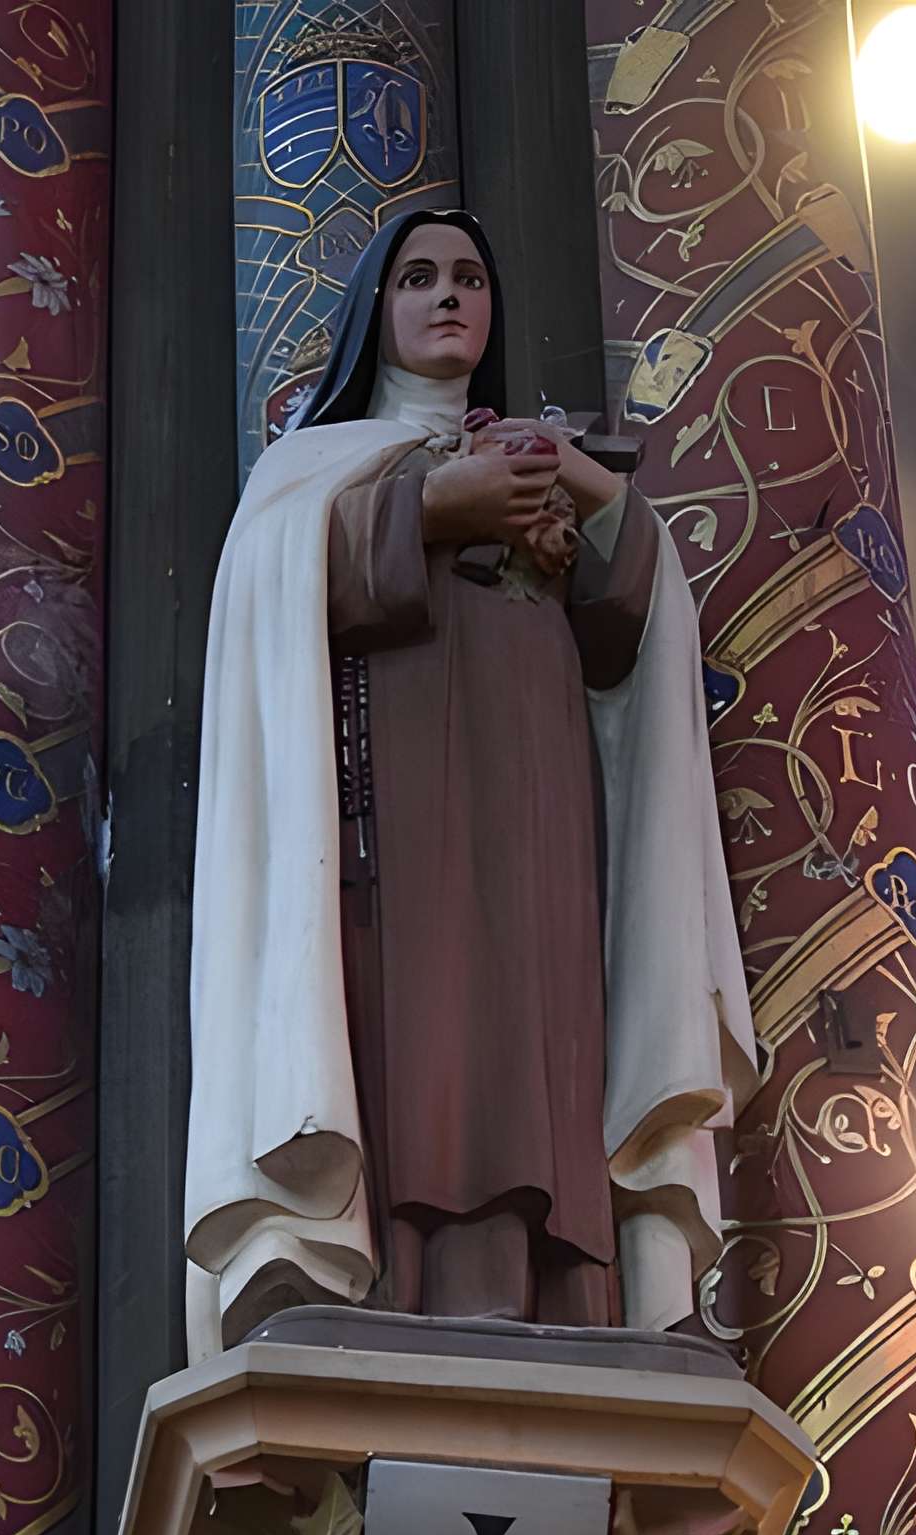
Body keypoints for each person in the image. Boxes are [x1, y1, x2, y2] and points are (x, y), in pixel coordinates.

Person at [184, 209, 755, 1353]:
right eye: (417, 278)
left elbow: (631, 634)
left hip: (543, 797)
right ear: (376, 311)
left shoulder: (548, 459)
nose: (447, 296)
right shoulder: (312, 466)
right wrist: (431, 507)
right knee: (437, 1020)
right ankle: (418, 1285)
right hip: (394, 815)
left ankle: (578, 1293)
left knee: (550, 1013)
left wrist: (588, 495)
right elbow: (268, 591)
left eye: (467, 278)